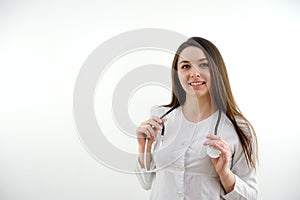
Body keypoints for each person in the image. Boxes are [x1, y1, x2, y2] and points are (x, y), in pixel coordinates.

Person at [135, 37, 258, 199]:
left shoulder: (238, 128)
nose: (194, 73)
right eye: (185, 66)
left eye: (203, 64)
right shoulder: (160, 118)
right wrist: (144, 149)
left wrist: (225, 174)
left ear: (216, 70)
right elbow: (146, 182)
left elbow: (251, 196)